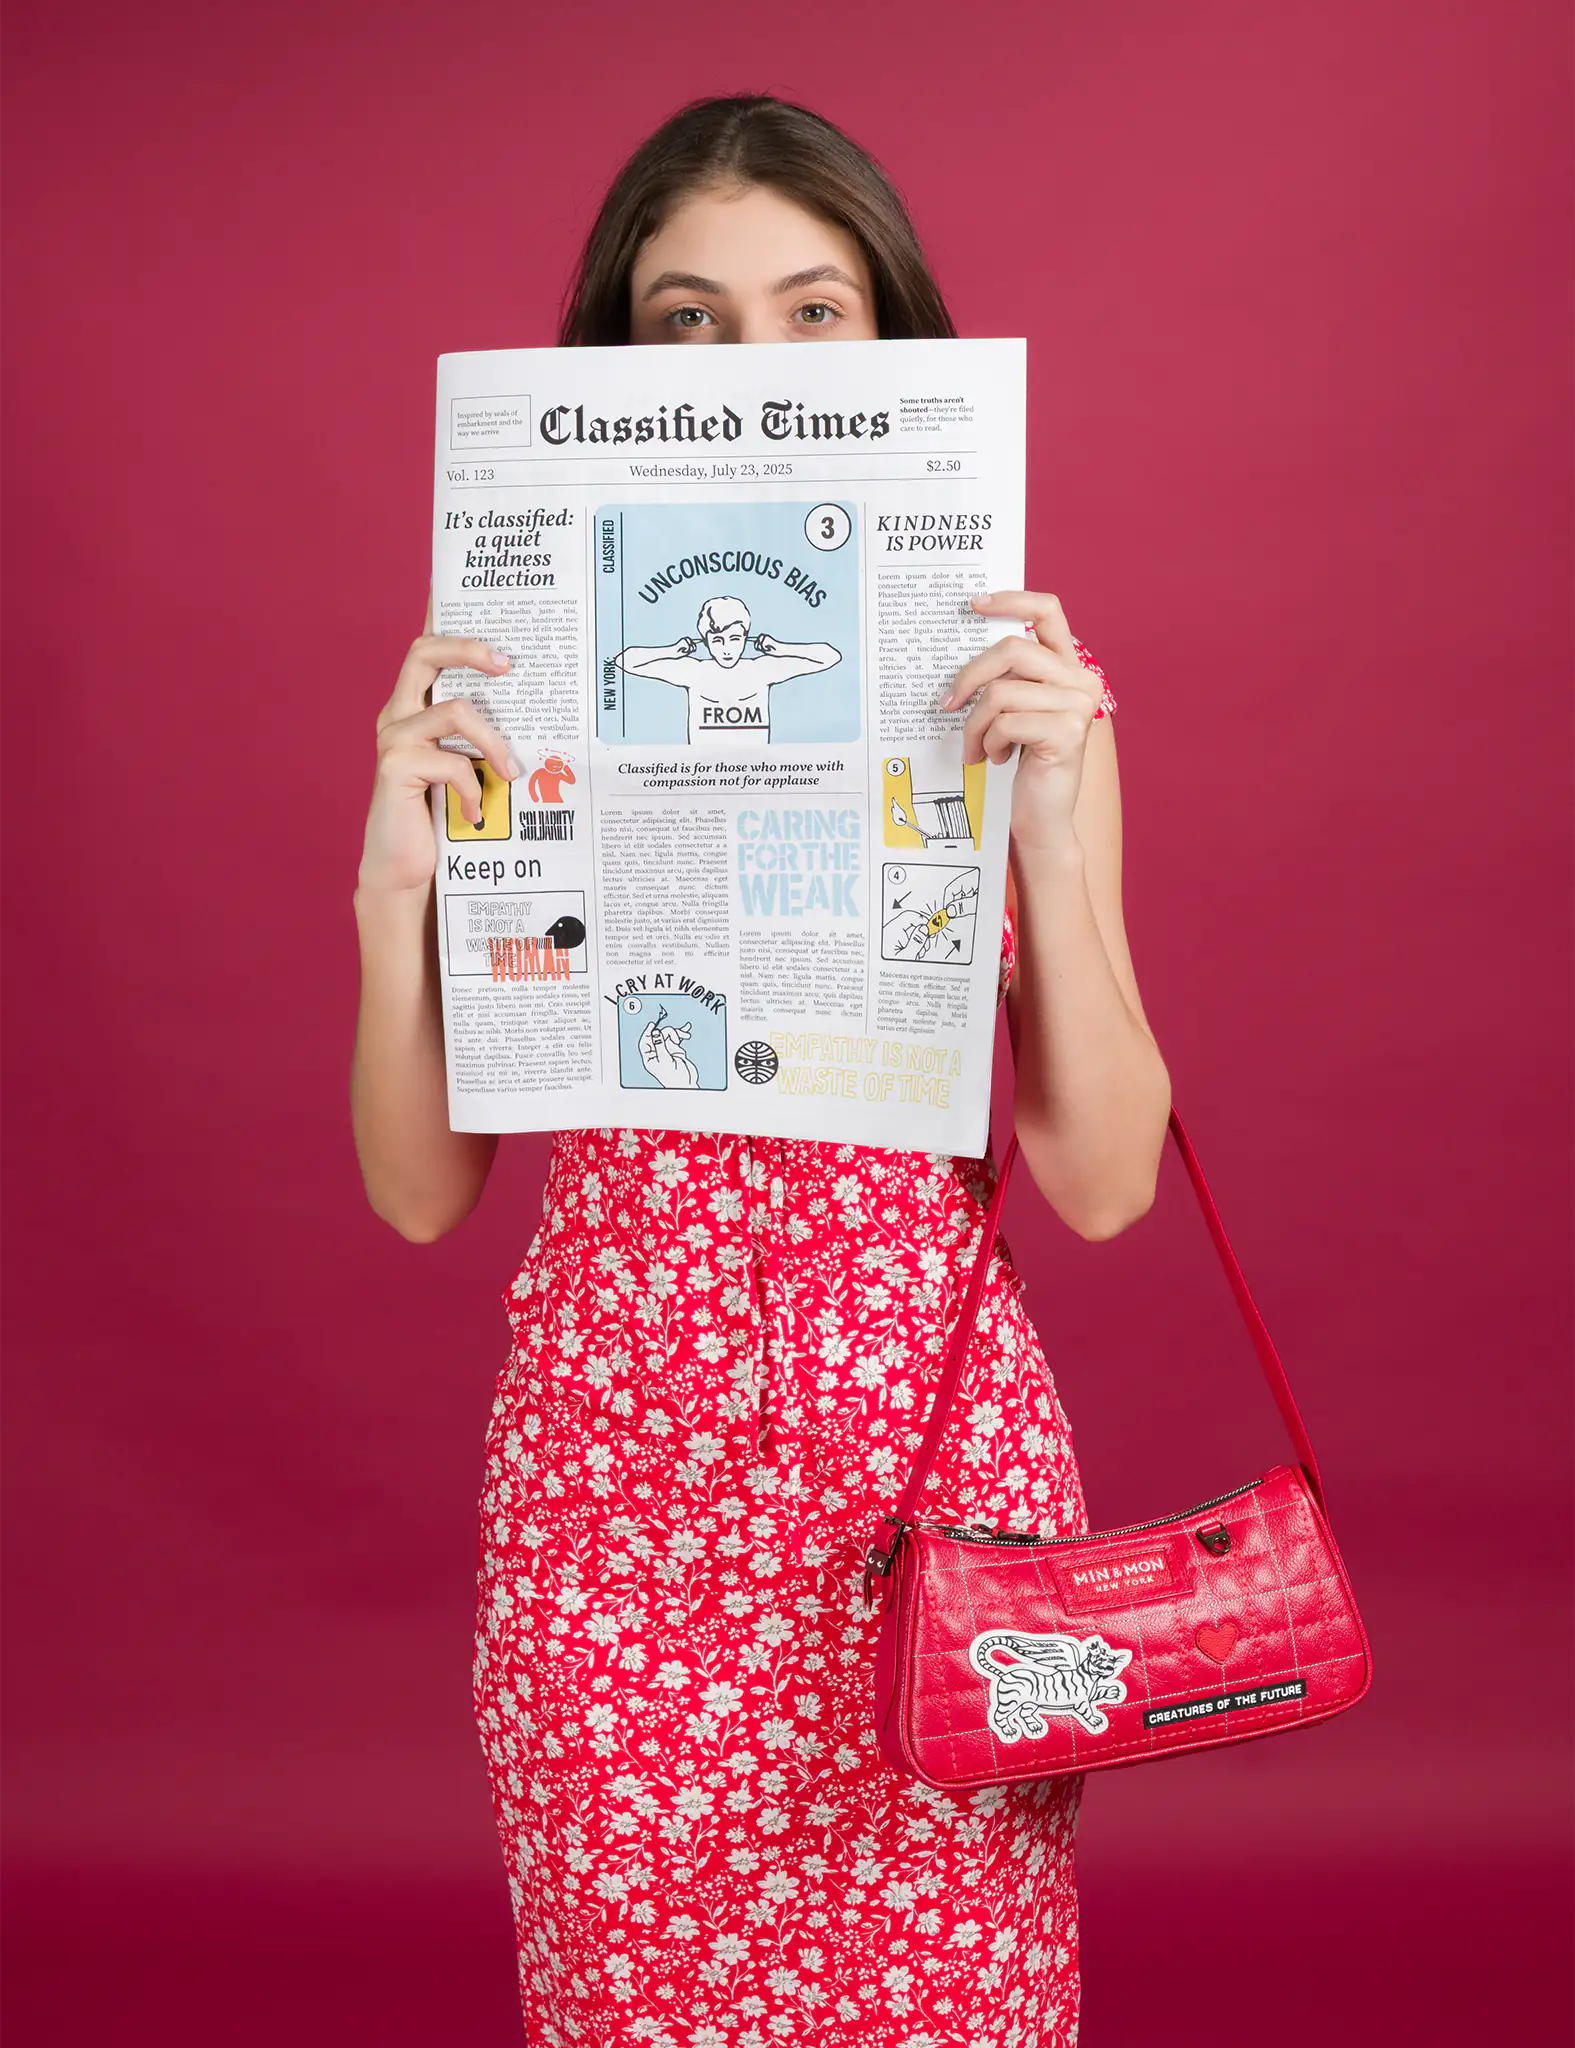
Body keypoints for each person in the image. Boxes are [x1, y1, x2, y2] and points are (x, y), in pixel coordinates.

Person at [351, 94, 1171, 2048]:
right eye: (687, 318)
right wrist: (395, 889)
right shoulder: (507, 689)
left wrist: (1046, 834)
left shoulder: (1019, 694)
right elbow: (414, 1186)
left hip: (922, 1478)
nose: (752, 364)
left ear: (896, 345)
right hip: (613, 1488)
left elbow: (1108, 1172)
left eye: (815, 309)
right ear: (614, 373)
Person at [614, 593, 842, 743]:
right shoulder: (694, 672)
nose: (726, 649)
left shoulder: (761, 670)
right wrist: (670, 651)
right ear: (705, 640)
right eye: (717, 640)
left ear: (745, 637)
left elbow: (830, 657)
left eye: (734, 639)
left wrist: (781, 648)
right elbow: (625, 661)